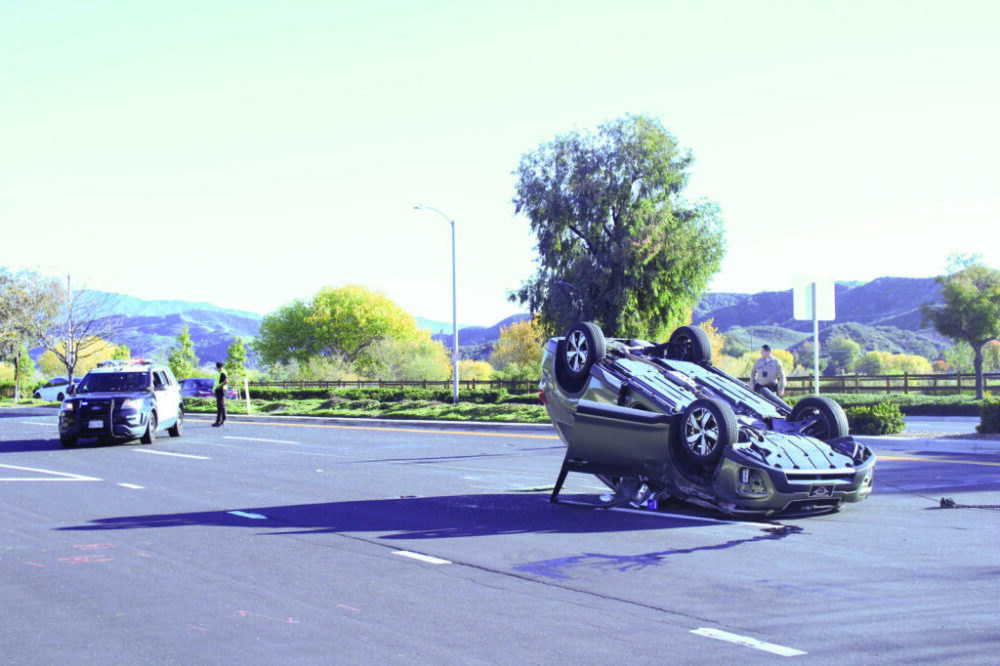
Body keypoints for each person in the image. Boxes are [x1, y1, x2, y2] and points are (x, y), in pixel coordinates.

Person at [212, 361, 228, 427]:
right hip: (219, 391)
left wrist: (220, 386)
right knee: (220, 407)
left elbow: (226, 381)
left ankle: (221, 421)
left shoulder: (222, 373)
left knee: (221, 406)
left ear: (217, 367)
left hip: (221, 391)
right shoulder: (221, 372)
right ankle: (219, 421)